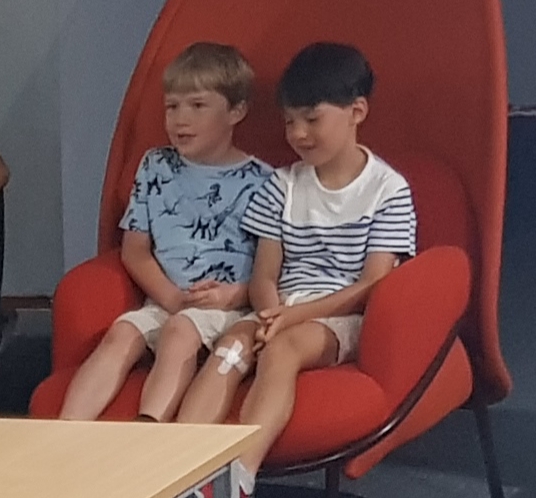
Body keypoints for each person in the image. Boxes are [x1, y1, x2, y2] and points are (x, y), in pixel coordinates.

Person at [176, 42, 417, 497]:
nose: (299, 133)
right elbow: (266, 273)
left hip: (338, 315)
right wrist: (269, 313)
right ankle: (181, 468)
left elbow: (374, 283)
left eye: (311, 119)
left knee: (284, 349)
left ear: (356, 111)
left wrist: (291, 319)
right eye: (290, 122)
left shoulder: (387, 190)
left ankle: (239, 476)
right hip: (280, 308)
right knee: (231, 347)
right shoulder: (282, 185)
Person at [59, 42, 272, 422]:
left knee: (180, 332)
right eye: (172, 107)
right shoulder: (156, 166)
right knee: (120, 335)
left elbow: (275, 268)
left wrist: (233, 295)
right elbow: (135, 249)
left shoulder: (266, 182)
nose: (180, 119)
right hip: (165, 299)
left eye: (197, 105)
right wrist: (170, 296)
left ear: (236, 111)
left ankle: (149, 430)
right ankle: (64, 434)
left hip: (227, 308)